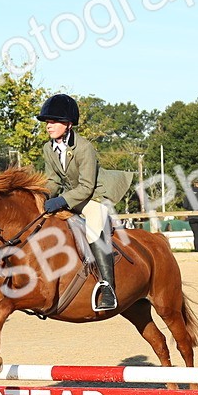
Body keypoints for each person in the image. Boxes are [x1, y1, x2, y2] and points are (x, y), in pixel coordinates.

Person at [38, 93, 133, 311]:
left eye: (53, 121)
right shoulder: (48, 148)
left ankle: (108, 288)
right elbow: (52, 180)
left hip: (94, 196)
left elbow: (87, 186)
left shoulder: (84, 148)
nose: (48, 126)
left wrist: (61, 200)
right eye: (47, 122)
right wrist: (44, 196)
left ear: (68, 124)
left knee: (93, 229)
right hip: (73, 196)